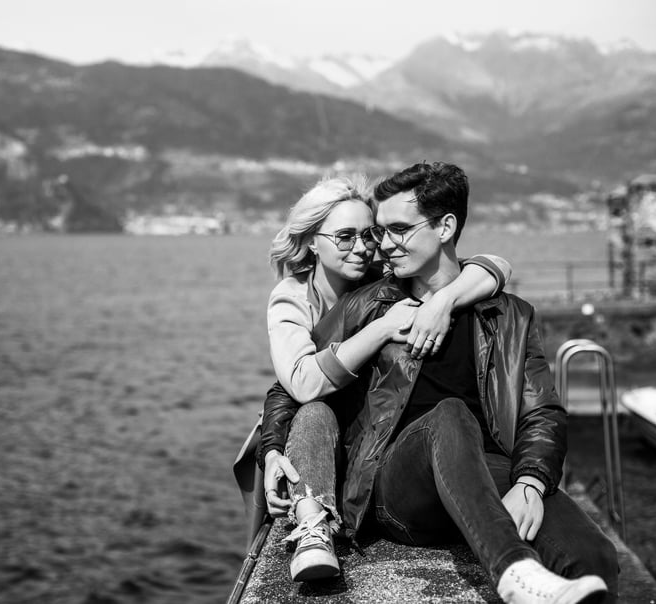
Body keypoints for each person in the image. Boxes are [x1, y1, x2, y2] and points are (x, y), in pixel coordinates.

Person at [261, 163, 619, 604]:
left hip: (487, 473)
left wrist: (530, 483)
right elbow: (293, 384)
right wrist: (273, 447)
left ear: (446, 226)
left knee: (594, 557)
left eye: (397, 230)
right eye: (380, 230)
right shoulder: (368, 304)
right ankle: (512, 570)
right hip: (398, 485)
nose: (382, 246)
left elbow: (541, 411)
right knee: (450, 415)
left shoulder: (510, 315)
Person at [257, 174, 512, 582]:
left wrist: (443, 301)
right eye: (344, 237)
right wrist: (269, 450)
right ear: (310, 241)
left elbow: (496, 266)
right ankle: (312, 528)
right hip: (316, 436)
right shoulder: (293, 298)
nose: (362, 248)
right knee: (316, 409)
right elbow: (295, 387)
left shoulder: (383, 276)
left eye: (369, 234)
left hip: (369, 442)